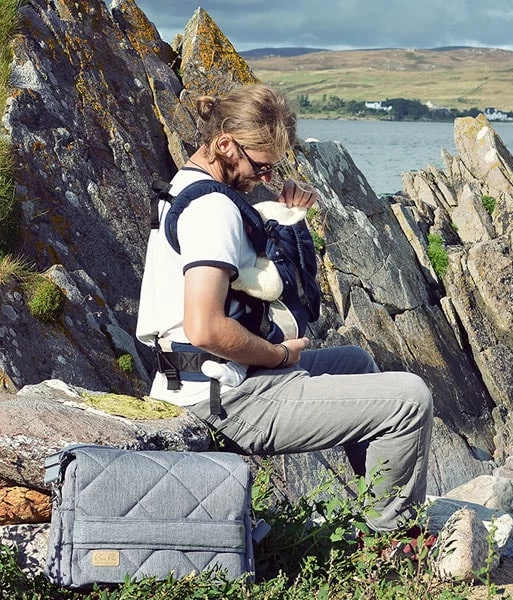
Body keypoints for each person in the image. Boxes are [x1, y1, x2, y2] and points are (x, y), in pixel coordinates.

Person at [136, 84, 433, 532]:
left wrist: (284, 211)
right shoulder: (212, 210)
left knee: (355, 362)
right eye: (261, 166)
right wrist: (278, 356)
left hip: (201, 378)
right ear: (225, 144)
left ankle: (375, 513)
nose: (266, 177)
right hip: (222, 401)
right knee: (410, 399)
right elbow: (204, 328)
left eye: (273, 167)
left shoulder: (187, 185)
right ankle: (393, 541)